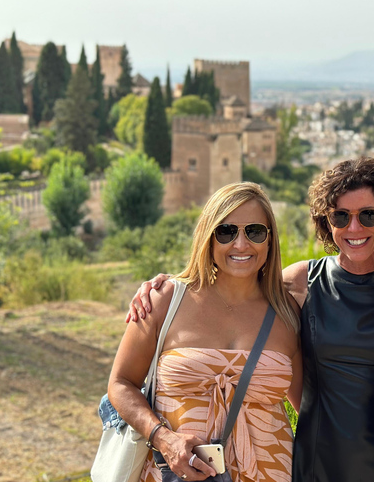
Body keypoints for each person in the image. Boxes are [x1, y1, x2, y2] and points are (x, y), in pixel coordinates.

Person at [129, 157, 374, 482]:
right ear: (327, 222)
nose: (354, 227)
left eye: (368, 215)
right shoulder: (300, 283)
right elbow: (235, 280)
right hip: (287, 459)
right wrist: (165, 286)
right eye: (341, 216)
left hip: (363, 457)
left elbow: (311, 403)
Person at [108, 182, 301, 482]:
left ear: (270, 241)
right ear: (208, 238)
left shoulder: (288, 312)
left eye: (254, 232)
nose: (241, 244)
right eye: (226, 232)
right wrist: (163, 439)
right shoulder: (164, 301)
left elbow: (310, 408)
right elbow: (121, 384)